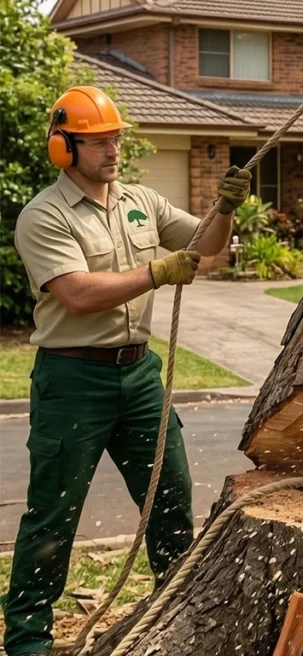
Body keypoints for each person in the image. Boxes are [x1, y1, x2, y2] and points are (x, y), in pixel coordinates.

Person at [4, 86, 251, 656]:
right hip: (72, 380)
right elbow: (76, 293)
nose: (113, 150)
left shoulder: (142, 200)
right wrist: (156, 273)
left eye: (116, 138)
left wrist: (226, 209)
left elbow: (205, 245)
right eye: (98, 142)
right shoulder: (44, 215)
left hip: (140, 375)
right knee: (54, 511)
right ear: (64, 149)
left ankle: (175, 613)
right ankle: (28, 638)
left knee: (171, 494)